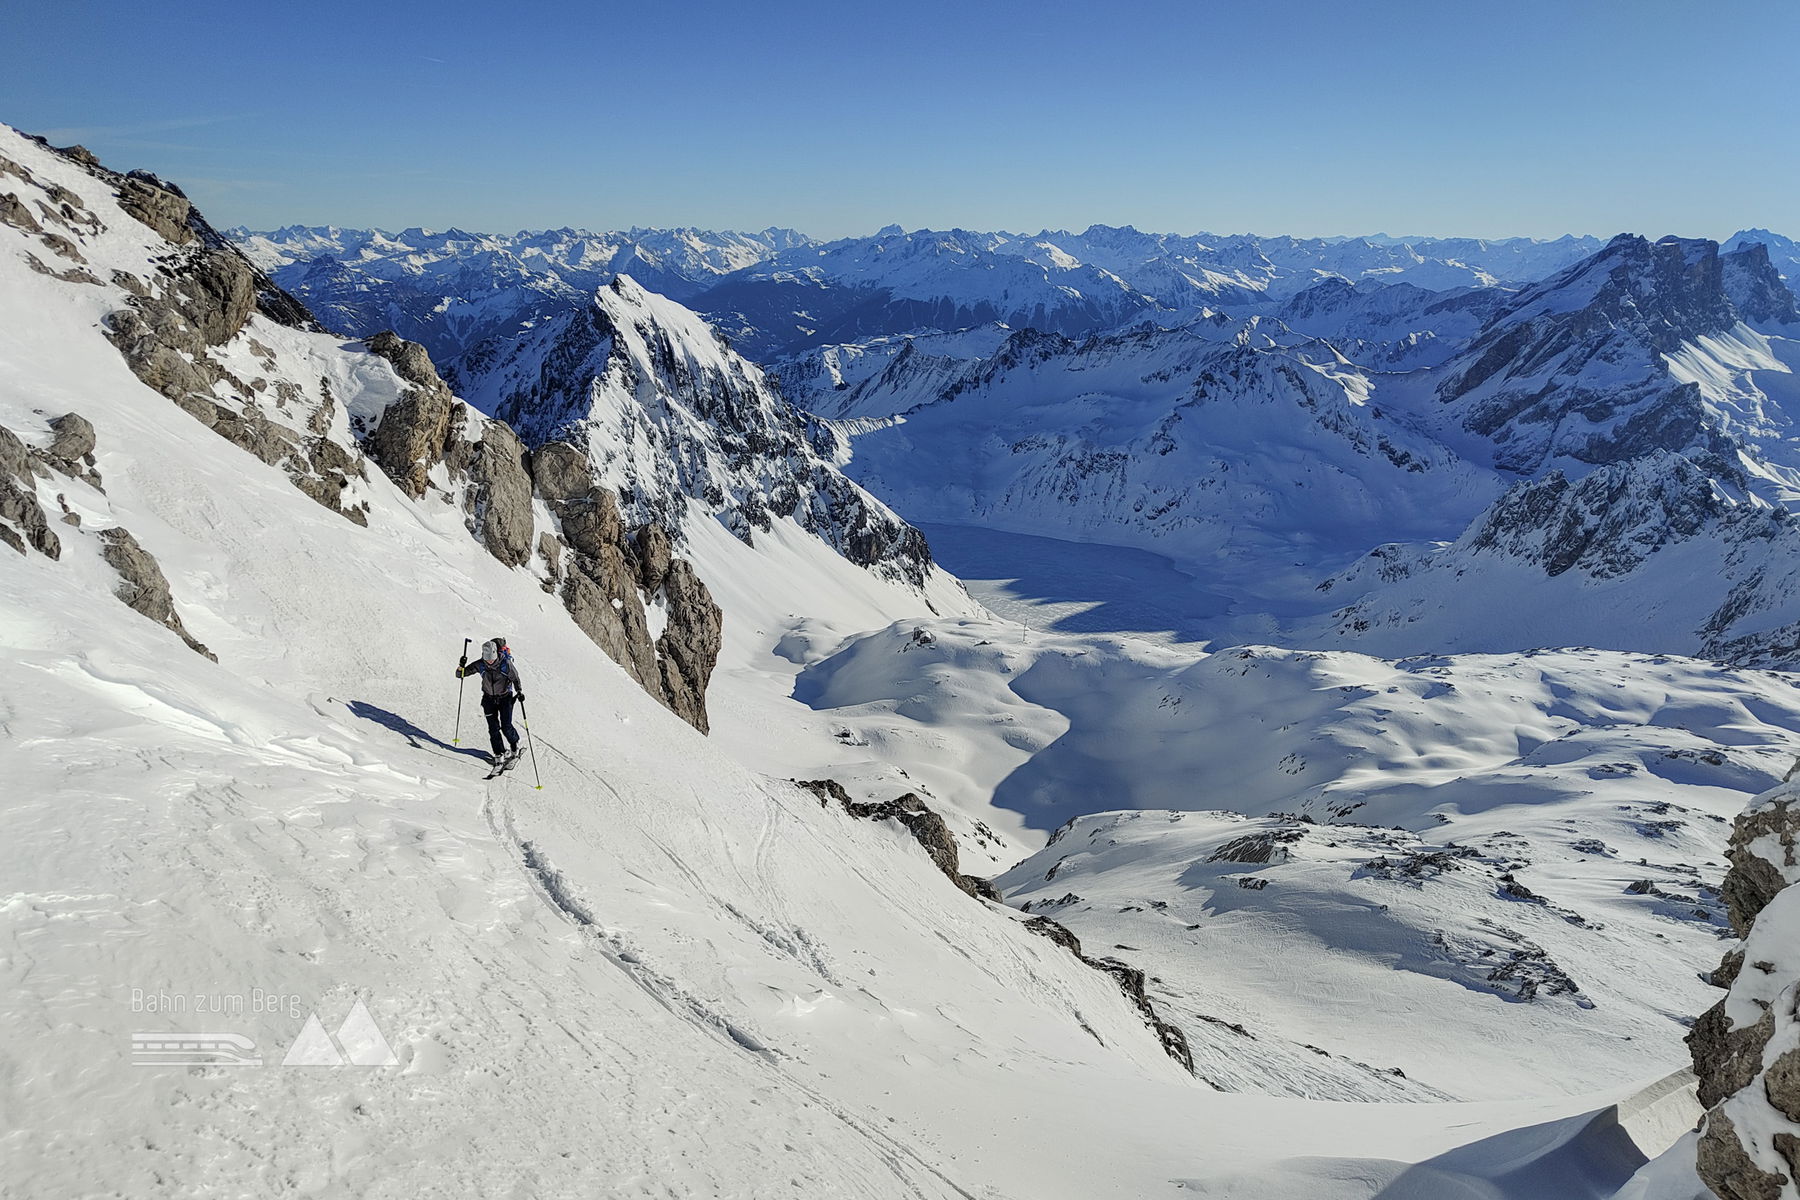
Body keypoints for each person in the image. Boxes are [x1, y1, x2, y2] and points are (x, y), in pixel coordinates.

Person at [457, 637, 524, 765]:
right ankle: (499, 754)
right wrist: (461, 665)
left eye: (491, 659)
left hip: (505, 698)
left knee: (506, 726)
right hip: (488, 699)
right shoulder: (481, 664)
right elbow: (460, 675)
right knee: (493, 728)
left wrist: (519, 692)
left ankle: (515, 744)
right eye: (487, 659)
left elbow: (515, 678)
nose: (489, 662)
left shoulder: (505, 664)